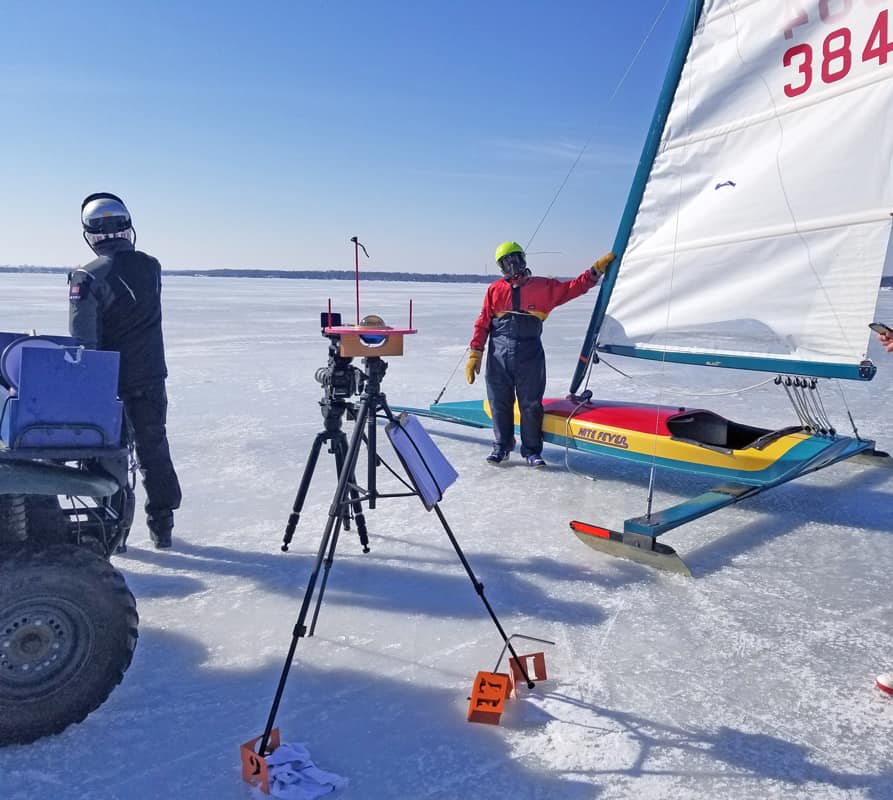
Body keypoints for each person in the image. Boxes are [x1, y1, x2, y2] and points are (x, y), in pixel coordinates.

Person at [69, 193, 182, 548]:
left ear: (91, 234)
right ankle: (162, 525)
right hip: (149, 375)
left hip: (108, 380)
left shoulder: (86, 276)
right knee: (153, 448)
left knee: (107, 455)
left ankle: (113, 531)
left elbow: (83, 340)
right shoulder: (151, 266)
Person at [465, 241, 614, 467]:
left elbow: (573, 287)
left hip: (529, 354)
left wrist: (594, 271)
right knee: (499, 402)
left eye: (515, 260)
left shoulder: (543, 287)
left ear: (523, 260)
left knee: (531, 404)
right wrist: (475, 352)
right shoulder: (494, 290)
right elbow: (483, 322)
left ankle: (532, 450)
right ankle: (502, 446)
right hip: (498, 356)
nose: (512, 266)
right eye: (506, 263)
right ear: (501, 268)